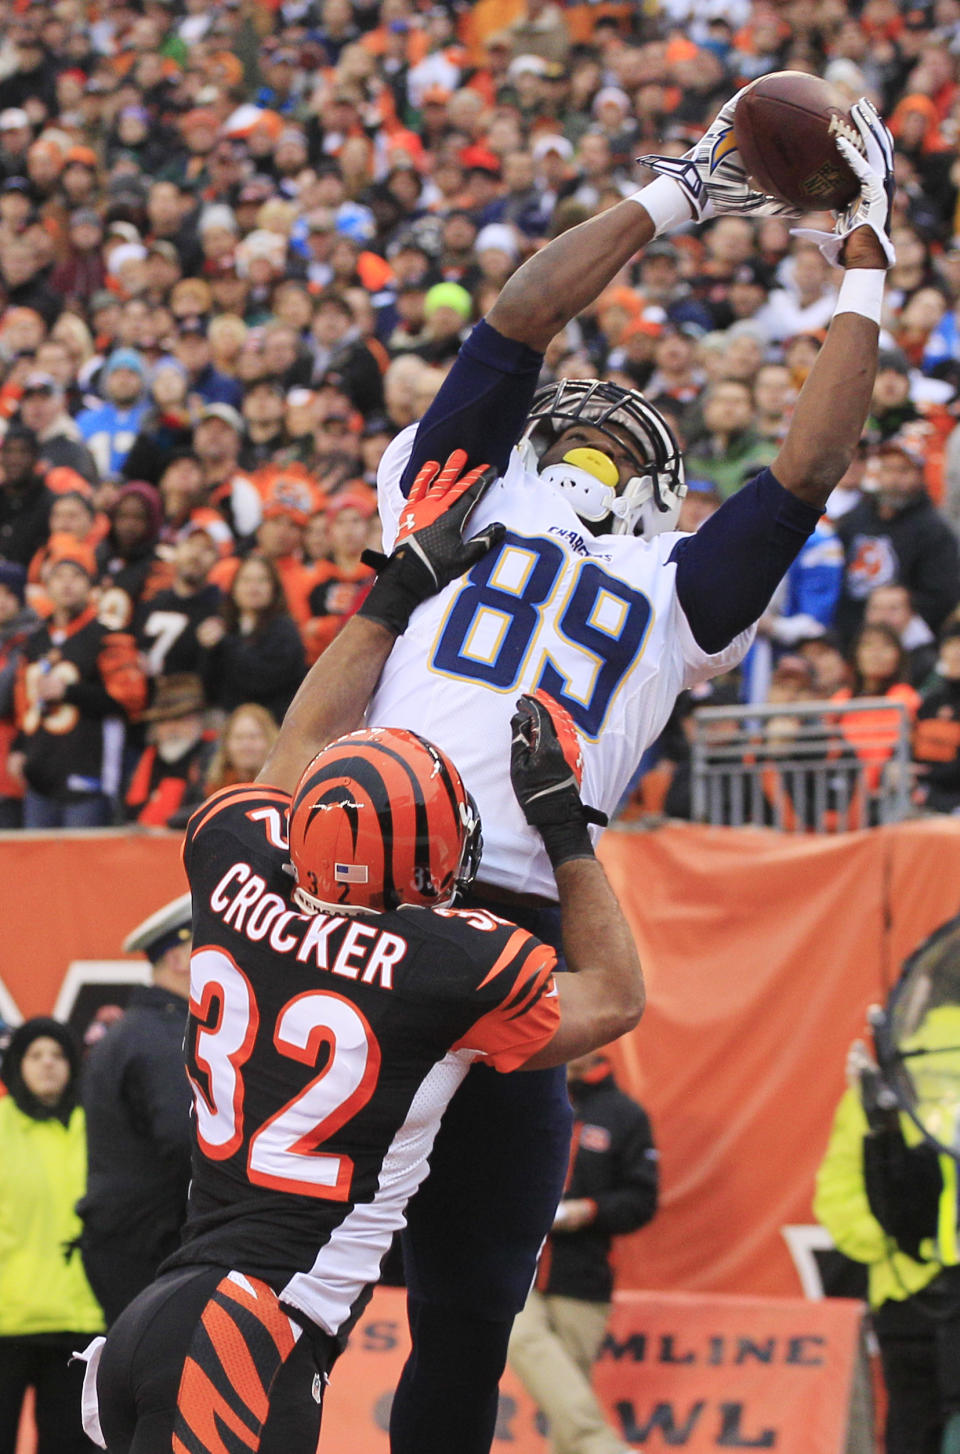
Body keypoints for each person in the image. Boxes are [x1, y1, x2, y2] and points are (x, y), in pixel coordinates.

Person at [364, 95, 898, 1454]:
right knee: (284, 1244)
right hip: (375, 874)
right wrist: (680, 197)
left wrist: (869, 264)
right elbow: (521, 316)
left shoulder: (671, 591)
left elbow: (808, 466)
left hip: (523, 917)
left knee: (475, 1301)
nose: (607, 424)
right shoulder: (457, 492)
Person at [83, 452, 644, 1453]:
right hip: (251, 1332)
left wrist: (398, 585)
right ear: (433, 851)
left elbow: (295, 746)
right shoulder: (438, 964)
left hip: (159, 1313)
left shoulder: (233, 859)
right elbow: (614, 997)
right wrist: (564, 828)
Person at [508, 1048, 658, 1454]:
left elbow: (642, 1200)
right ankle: (605, 1447)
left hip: (583, 1273)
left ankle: (590, 1444)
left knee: (567, 1399)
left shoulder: (624, 1114)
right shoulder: (525, 1096)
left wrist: (586, 1211)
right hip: (518, 1263)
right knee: (517, 1335)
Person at [815, 1039, 958, 1454]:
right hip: (922, 1290)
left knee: (912, 1423)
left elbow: (837, 1196)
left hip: (902, 1290)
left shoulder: (890, 1074)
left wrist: (897, 1244)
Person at [76, 895, 194, 1326]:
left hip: (129, 1242)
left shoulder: (135, 1029)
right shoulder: (161, 1035)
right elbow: (186, 1140)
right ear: (179, 958)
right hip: (152, 1247)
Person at [0, 1017, 104, 1454]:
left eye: (58, 1055)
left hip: (79, 1319)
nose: (47, 1065)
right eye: (35, 1055)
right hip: (6, 1320)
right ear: (16, 1065)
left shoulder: (100, 1130)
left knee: (70, 1445)